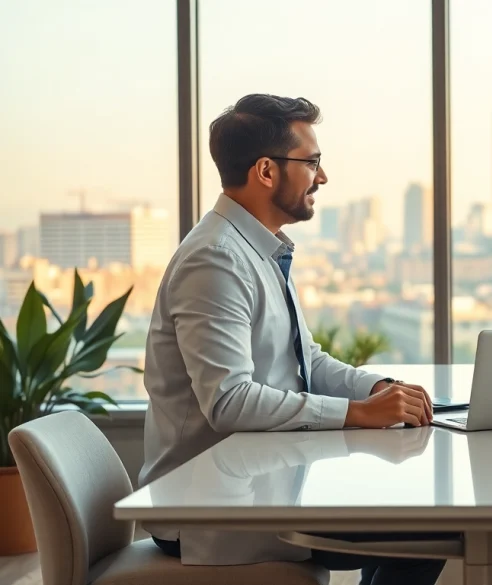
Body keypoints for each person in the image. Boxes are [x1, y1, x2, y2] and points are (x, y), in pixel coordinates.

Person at [139, 94, 450, 585]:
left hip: (260, 482)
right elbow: (228, 402)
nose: (322, 177)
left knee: (416, 522)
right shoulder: (215, 259)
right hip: (209, 509)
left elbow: (308, 360)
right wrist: (358, 414)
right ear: (267, 171)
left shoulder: (257, 250)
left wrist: (376, 389)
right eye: (312, 162)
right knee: (427, 533)